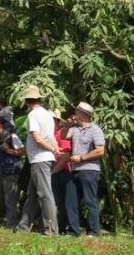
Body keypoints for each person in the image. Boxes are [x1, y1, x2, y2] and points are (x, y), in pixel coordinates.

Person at [15, 86, 60, 235]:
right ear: (39, 99)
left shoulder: (33, 115)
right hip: (42, 158)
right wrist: (55, 148)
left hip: (39, 159)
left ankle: (51, 230)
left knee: (45, 194)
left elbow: (38, 138)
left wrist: (52, 149)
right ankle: (23, 226)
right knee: (32, 195)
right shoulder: (48, 114)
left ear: (27, 102)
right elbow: (51, 137)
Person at [62, 102, 106, 237]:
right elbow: (64, 136)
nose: (75, 114)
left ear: (84, 115)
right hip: (74, 170)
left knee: (90, 201)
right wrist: (67, 125)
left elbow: (100, 151)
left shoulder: (95, 129)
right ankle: (73, 231)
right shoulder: (74, 129)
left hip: (89, 170)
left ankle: (93, 232)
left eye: (77, 112)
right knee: (70, 201)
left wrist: (81, 158)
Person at [51, 109, 72, 234]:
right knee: (58, 200)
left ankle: (63, 227)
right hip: (56, 170)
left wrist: (54, 170)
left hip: (62, 171)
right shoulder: (51, 135)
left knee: (62, 201)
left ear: (57, 121)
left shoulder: (60, 134)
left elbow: (66, 154)